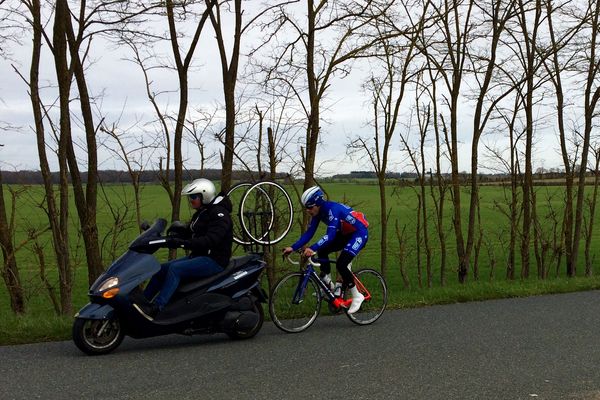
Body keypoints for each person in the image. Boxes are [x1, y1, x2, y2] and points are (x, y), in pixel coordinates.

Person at [133, 178, 233, 321]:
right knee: (161, 270)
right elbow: (191, 232)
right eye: (190, 197)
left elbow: (211, 240)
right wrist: (171, 236)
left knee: (176, 269)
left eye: (193, 197)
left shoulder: (219, 214)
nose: (191, 200)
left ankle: (157, 307)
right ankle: (143, 303)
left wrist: (184, 243)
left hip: (214, 260)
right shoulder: (202, 212)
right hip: (200, 256)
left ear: (204, 196)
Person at [282, 186, 369, 314]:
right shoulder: (318, 213)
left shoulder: (332, 210)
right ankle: (328, 284)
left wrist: (312, 248)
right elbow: (309, 233)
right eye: (306, 208)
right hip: (345, 234)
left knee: (341, 264)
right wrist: (293, 247)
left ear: (317, 204)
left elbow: (330, 236)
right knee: (322, 251)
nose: (308, 211)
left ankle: (357, 296)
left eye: (310, 207)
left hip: (359, 233)